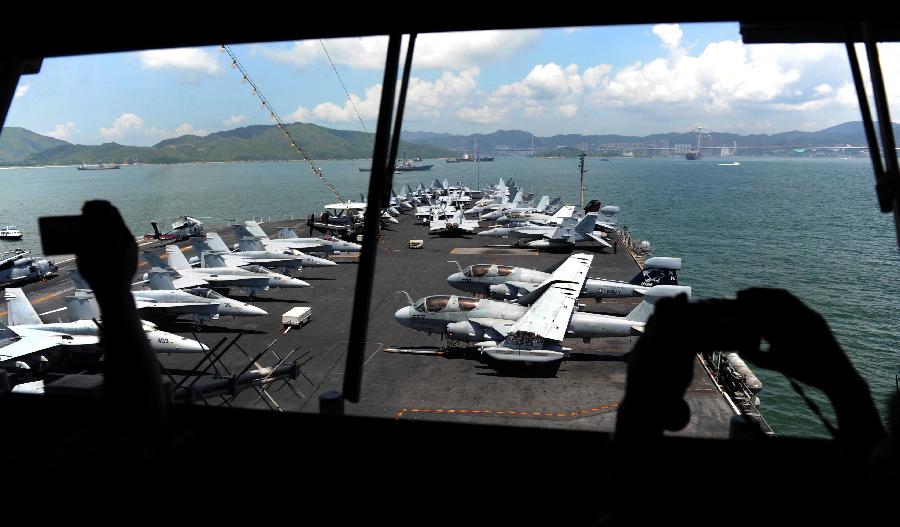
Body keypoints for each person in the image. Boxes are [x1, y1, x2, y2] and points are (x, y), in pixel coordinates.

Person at [599, 288, 893, 524]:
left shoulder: (881, 478)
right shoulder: (876, 480)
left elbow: (619, 514)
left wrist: (642, 391)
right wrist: (844, 382)